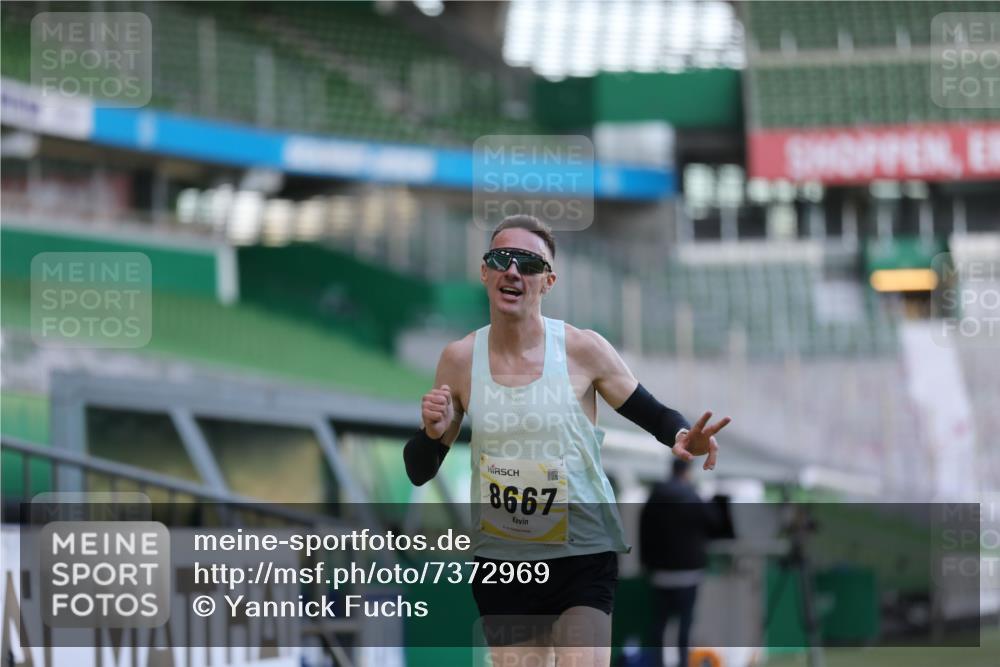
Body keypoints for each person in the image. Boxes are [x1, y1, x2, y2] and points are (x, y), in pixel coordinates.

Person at [403, 214, 731, 667]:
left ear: (548, 281)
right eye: (501, 259)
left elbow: (653, 413)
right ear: (484, 271)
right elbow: (419, 470)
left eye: (528, 263)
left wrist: (681, 435)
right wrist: (431, 433)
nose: (513, 271)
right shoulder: (459, 360)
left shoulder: (582, 350)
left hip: (582, 550)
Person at [639, 459, 734, 667]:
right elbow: (716, 524)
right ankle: (683, 663)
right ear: (687, 472)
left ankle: (657, 664)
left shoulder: (654, 498)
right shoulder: (693, 497)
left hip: (660, 575)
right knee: (685, 628)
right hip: (689, 574)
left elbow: (643, 533)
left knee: (658, 626)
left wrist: (646, 564)